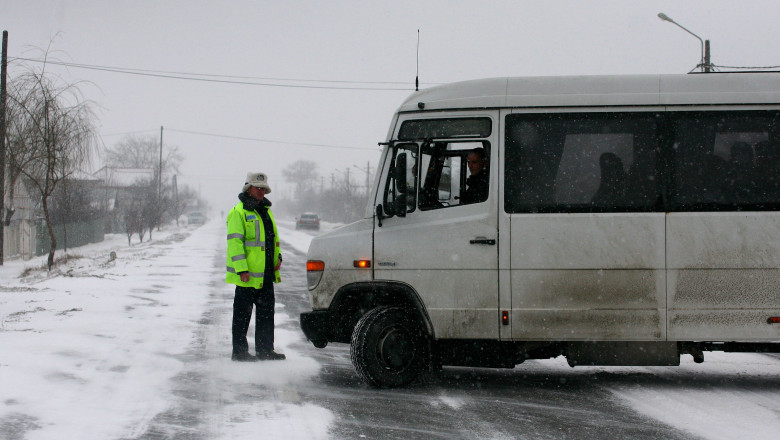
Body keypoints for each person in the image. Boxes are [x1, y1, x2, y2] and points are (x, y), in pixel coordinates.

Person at [225, 172, 285, 361]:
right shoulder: (239, 212)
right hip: (247, 276)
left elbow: (273, 240)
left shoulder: (266, 212)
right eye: (258, 188)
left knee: (266, 315)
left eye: (263, 189)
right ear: (248, 188)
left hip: (266, 274)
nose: (261, 192)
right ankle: (240, 352)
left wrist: (279, 258)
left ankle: (265, 350)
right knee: (242, 316)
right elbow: (235, 244)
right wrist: (242, 269)